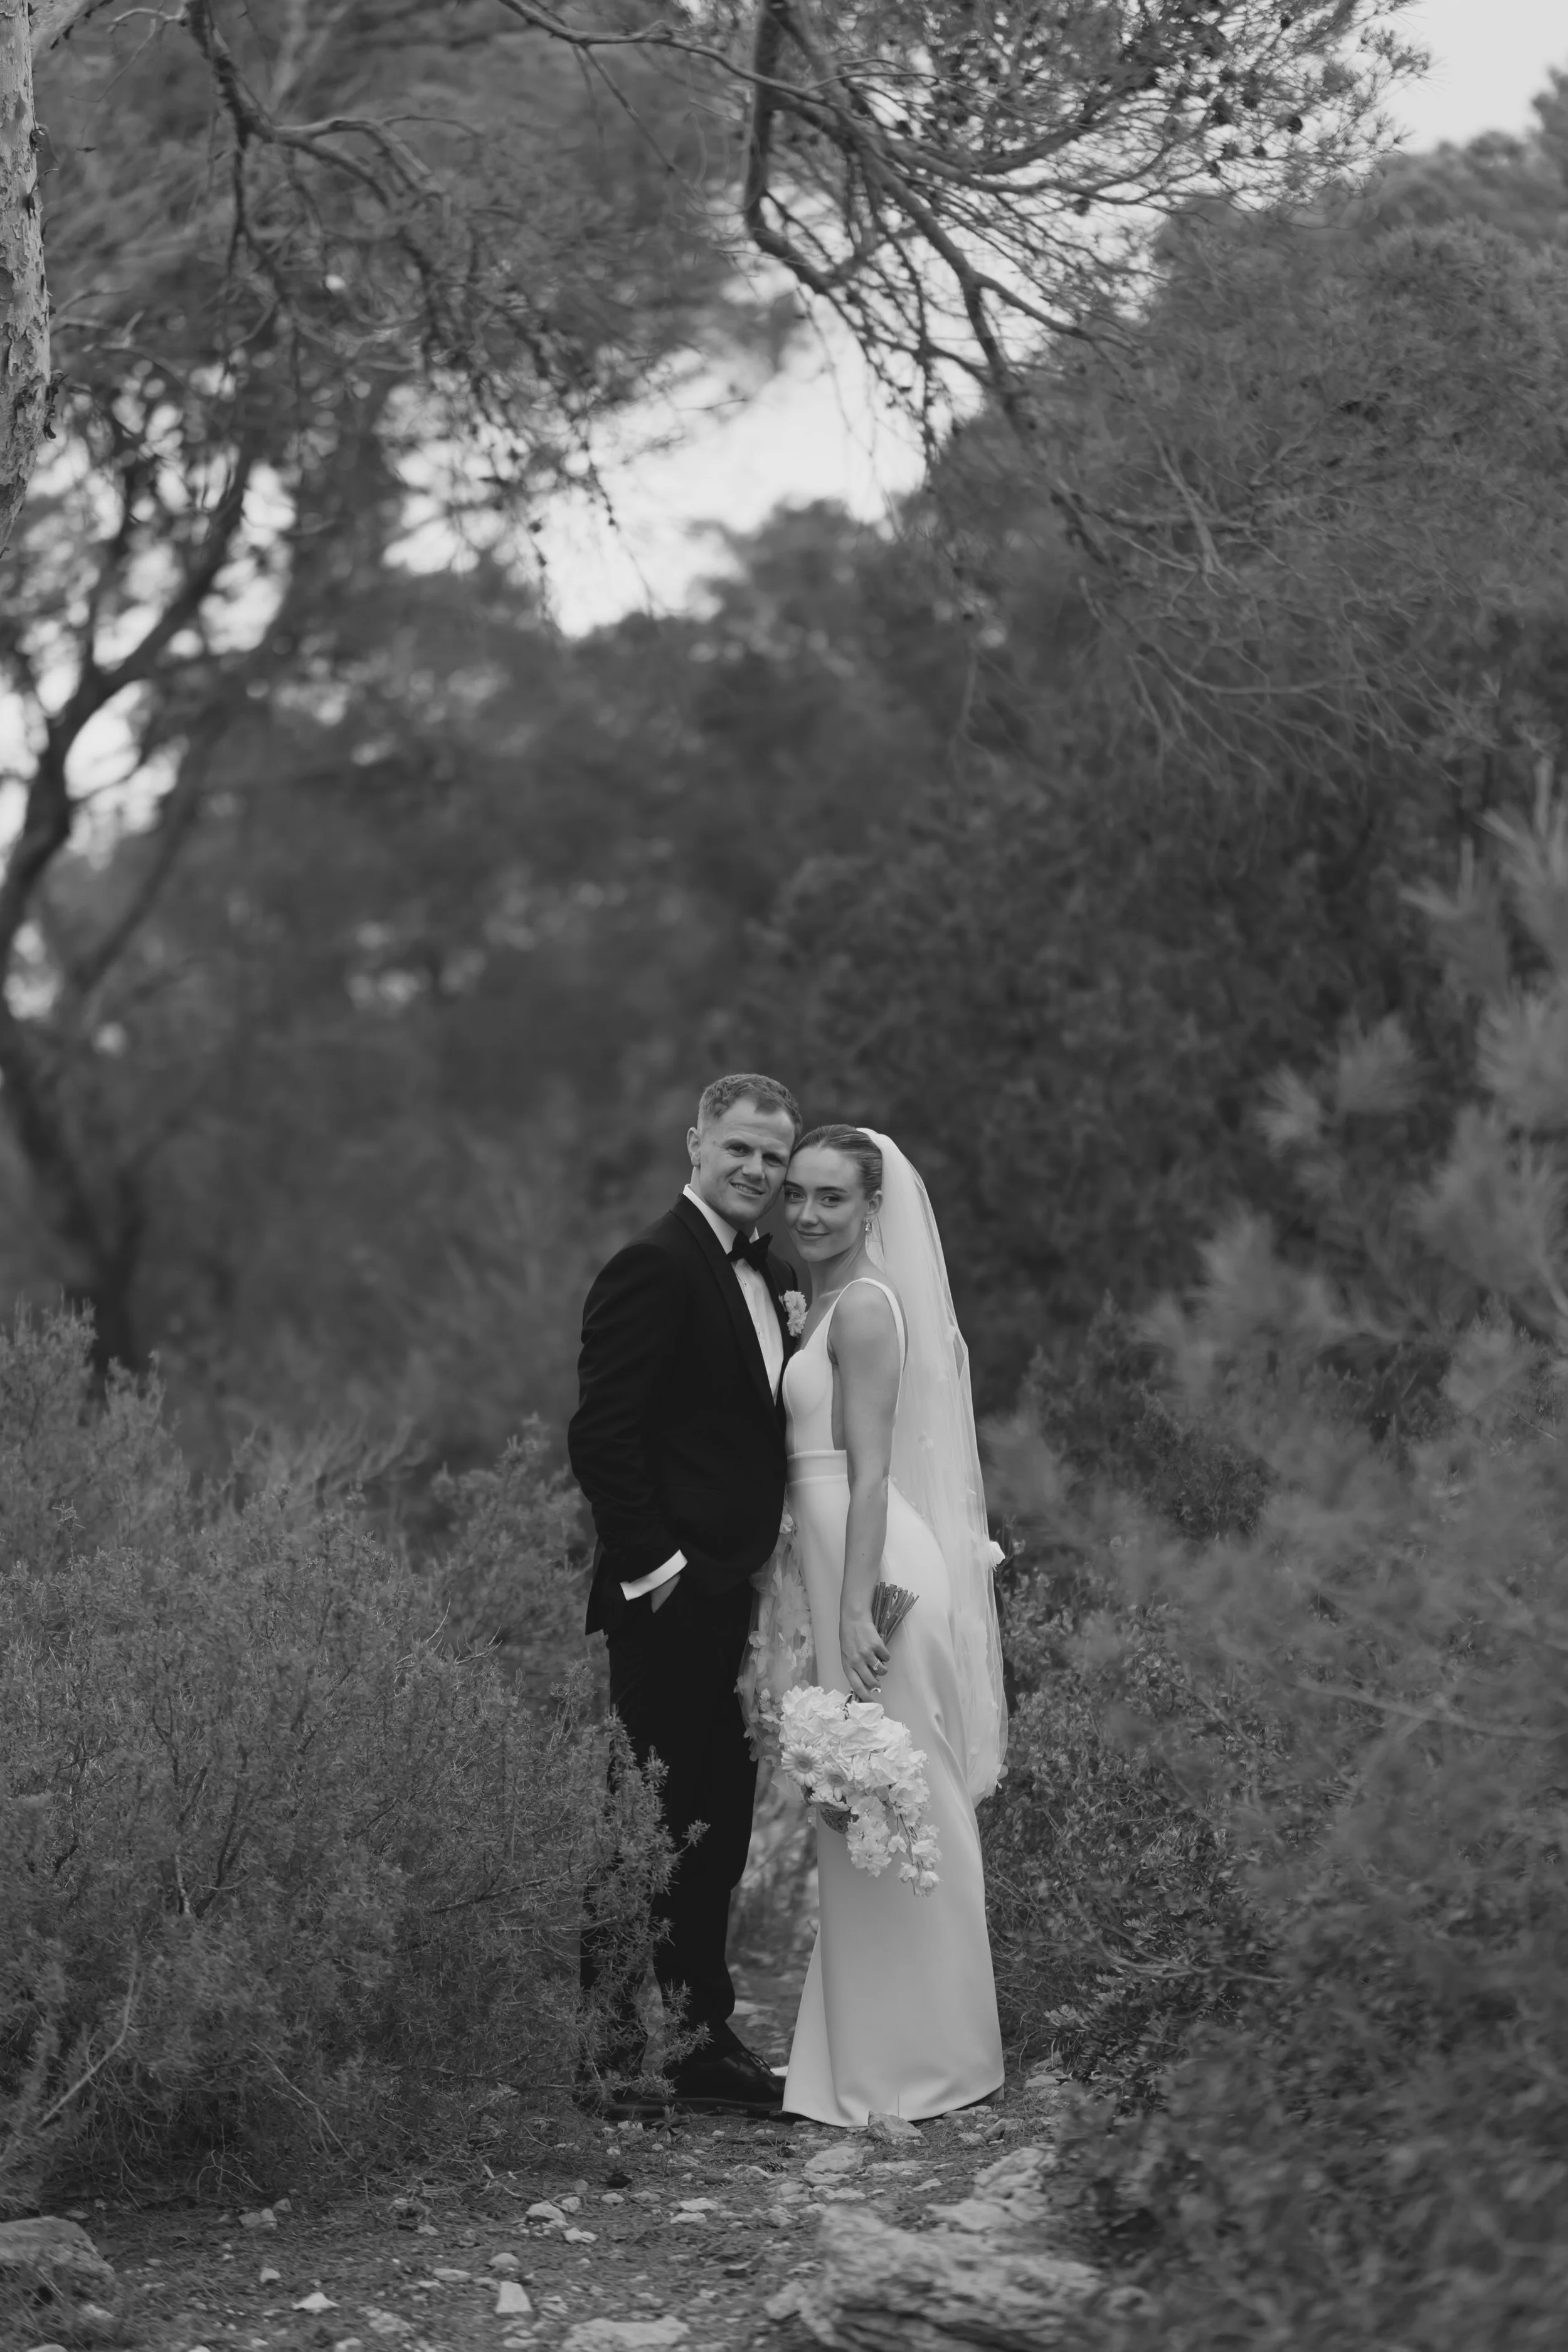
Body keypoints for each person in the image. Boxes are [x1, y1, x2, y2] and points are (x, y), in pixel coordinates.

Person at [760, 1123, 1007, 2126]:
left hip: (877, 1572)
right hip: (837, 1566)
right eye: (799, 1196)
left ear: (872, 1209)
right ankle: (868, 2057)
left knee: (907, 1798)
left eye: (832, 1199)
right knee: (860, 1805)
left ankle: (940, 2060)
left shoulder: (864, 1308)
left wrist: (857, 1606)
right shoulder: (818, 1305)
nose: (809, 1215)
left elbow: (870, 1473)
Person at [569, 1072, 802, 2119]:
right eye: (740, 1147)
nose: (756, 1168)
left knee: (720, 1821)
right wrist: (658, 1571)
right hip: (669, 1598)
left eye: (773, 1156)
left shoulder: (768, 1270)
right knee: (641, 1822)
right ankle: (610, 2053)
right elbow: (602, 1435)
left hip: (738, 1598)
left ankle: (701, 2037)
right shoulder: (654, 1266)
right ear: (697, 1143)